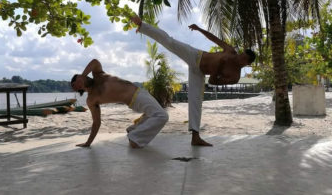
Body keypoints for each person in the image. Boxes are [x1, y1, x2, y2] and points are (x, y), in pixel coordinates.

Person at [130, 16, 256, 147]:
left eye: (242, 59)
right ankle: (143, 26)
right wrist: (199, 29)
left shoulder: (234, 77)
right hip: (196, 56)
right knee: (170, 42)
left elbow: (212, 81)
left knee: (196, 103)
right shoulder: (230, 51)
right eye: (241, 55)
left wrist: (218, 67)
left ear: (247, 64)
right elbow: (214, 38)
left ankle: (195, 138)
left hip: (199, 73)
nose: (238, 59)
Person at [71, 59, 169, 148]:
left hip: (141, 94)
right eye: (77, 87)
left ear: (81, 75)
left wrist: (83, 75)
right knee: (162, 116)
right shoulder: (91, 99)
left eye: (78, 80)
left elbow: (94, 62)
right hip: (136, 100)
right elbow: (96, 122)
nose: (79, 84)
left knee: (153, 114)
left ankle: (133, 129)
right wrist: (88, 143)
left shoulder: (98, 74)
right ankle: (135, 137)